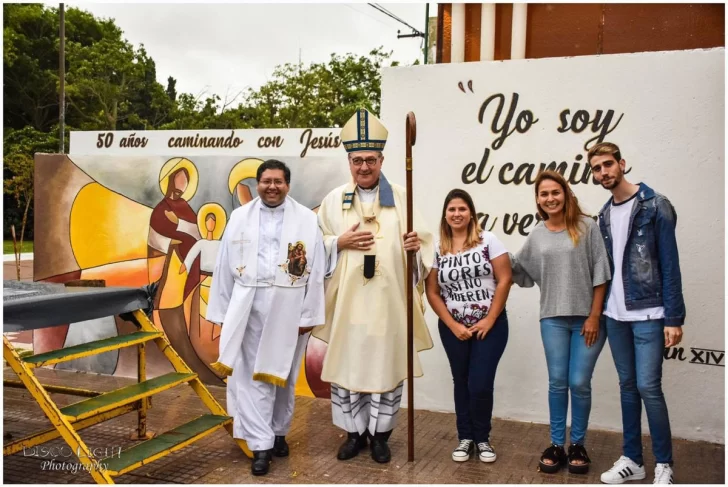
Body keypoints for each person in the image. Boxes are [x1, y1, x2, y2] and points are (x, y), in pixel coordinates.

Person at [312, 108, 435, 464]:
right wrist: (339, 243)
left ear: (381, 159)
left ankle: (381, 437)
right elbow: (316, 244)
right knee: (348, 369)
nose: (364, 167)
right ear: (348, 162)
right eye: (357, 160)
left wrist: (415, 247)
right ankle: (354, 434)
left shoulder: (401, 195)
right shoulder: (334, 200)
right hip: (348, 305)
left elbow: (425, 245)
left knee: (386, 366)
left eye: (370, 159)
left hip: (388, 305)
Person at [206, 159, 325, 476]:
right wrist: (221, 311)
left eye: (278, 181)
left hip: (289, 305)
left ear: (288, 184)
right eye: (266, 181)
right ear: (258, 184)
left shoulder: (305, 220)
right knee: (250, 375)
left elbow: (316, 268)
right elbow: (224, 264)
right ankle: (261, 446)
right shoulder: (240, 216)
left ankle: (278, 431)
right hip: (248, 304)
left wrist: (310, 312)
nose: (272, 186)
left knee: (282, 374)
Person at [588, 143, 685, 485]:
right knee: (627, 386)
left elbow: (670, 265)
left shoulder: (655, 206)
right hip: (615, 317)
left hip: (649, 313)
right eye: (597, 168)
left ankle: (664, 463)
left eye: (608, 165)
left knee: (648, 386)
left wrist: (674, 318)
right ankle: (632, 459)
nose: (603, 172)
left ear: (622, 164)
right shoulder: (603, 215)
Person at [511, 170, 611, 475]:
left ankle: (577, 444)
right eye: (544, 194)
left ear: (565, 194)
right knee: (557, 382)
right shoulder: (538, 234)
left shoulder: (586, 226)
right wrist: (486, 252)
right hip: (552, 319)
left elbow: (601, 273)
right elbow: (517, 268)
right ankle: (556, 444)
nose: (550, 198)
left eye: (555, 192)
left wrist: (594, 315)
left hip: (587, 320)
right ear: (538, 200)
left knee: (579, 382)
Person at [425, 189, 512, 464]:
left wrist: (490, 318)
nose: (457, 214)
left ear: (471, 213)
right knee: (461, 381)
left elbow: (505, 279)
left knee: (481, 383)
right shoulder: (437, 249)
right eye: (451, 209)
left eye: (462, 209)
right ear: (445, 215)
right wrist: (452, 325)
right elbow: (433, 292)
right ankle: (465, 437)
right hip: (454, 328)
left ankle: (483, 438)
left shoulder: (489, 240)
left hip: (490, 326)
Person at [148, 157, 202, 299]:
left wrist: (178, 222)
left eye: (185, 181)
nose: (182, 185)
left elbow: (196, 230)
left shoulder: (184, 205)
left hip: (190, 257)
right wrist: (173, 242)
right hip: (170, 258)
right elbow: (154, 239)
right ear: (171, 181)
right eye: (179, 180)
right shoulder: (161, 208)